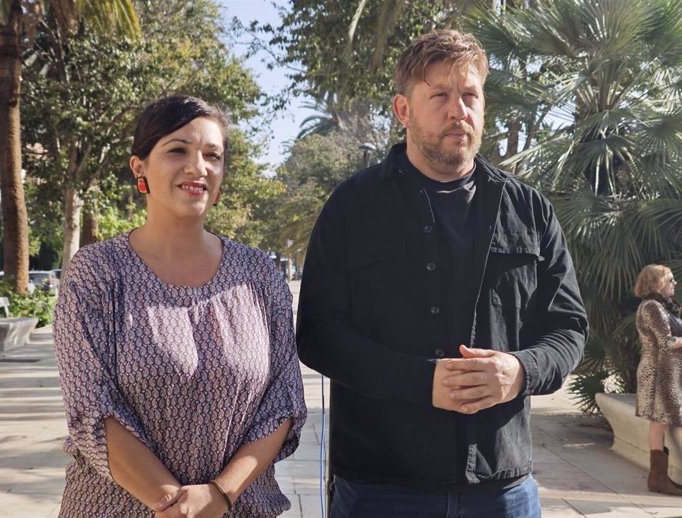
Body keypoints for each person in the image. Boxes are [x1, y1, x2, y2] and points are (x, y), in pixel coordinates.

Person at [297, 30, 588, 517]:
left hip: (502, 488)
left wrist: (519, 371)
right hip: (381, 486)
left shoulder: (529, 209)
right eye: (440, 96)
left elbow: (569, 328)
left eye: (470, 95)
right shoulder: (352, 208)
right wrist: (420, 381)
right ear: (403, 110)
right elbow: (318, 334)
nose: (459, 110)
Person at [53, 95, 307, 518]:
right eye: (177, 150)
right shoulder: (96, 274)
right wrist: (172, 505)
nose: (198, 167)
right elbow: (91, 408)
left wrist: (219, 495)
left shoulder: (260, 275)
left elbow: (283, 402)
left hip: (240, 508)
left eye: (212, 155)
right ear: (140, 168)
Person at [634, 264, 682, 496]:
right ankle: (658, 478)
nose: (674, 283)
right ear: (657, 283)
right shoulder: (652, 307)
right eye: (670, 279)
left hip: (667, 373)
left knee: (660, 422)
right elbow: (666, 343)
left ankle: (658, 479)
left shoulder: (663, 307)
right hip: (658, 374)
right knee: (660, 422)